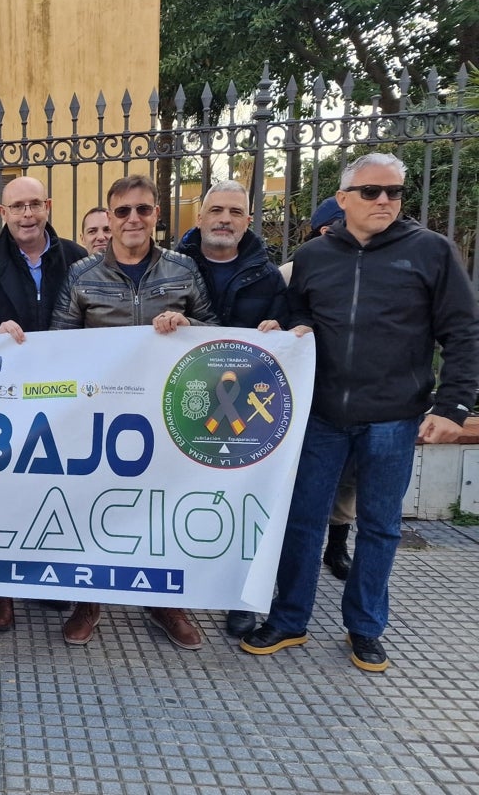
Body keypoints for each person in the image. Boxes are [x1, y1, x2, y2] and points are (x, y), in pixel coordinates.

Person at [242, 152, 479, 672]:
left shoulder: (432, 252)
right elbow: (297, 313)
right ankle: (288, 620)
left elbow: (462, 331)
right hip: (321, 415)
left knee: (380, 526)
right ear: (344, 199)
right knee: (303, 520)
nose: (385, 201)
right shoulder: (313, 257)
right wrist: (285, 330)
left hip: (394, 417)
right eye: (371, 192)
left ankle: (366, 627)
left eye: (394, 192)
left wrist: (454, 406)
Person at [51, 174, 217, 651]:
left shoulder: (183, 270)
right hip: (102, 415)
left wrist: (189, 324)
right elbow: (59, 342)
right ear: (110, 215)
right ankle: (90, 599)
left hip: (169, 415)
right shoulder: (82, 275)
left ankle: (165, 602)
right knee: (94, 505)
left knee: (161, 507)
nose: (132, 220)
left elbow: (216, 330)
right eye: (122, 211)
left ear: (156, 215)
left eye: (142, 210)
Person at [0, 175, 87, 631]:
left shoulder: (76, 257)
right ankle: (1, 591)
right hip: (5, 397)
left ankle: (46, 579)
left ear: (48, 206)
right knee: (4, 488)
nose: (27, 215)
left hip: (64, 396)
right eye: (18, 207)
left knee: (55, 487)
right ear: (3, 213)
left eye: (35, 205)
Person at [176, 179, 287, 638]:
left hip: (246, 414)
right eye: (216, 210)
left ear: (247, 221)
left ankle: (240, 597)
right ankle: (178, 591)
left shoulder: (268, 275)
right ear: (199, 217)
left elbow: (293, 327)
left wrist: (284, 329)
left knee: (245, 505)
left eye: (235, 212)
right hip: (185, 402)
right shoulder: (173, 267)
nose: (224, 219)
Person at [289, 196, 357, 582]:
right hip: (308, 396)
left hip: (360, 398)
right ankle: (298, 573)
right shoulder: (296, 268)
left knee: (349, 481)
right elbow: (286, 314)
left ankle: (338, 546)